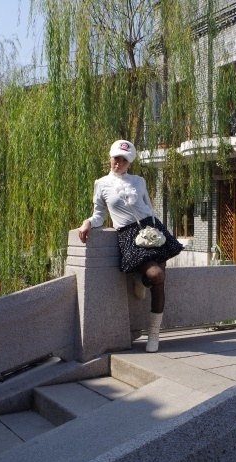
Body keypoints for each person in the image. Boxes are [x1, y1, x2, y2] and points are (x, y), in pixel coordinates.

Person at [77, 140, 184, 352]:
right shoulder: (102, 184)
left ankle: (154, 334)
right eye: (116, 158)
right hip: (128, 234)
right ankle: (142, 279)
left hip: (152, 229)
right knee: (156, 275)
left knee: (160, 282)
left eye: (124, 160)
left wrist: (158, 229)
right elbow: (99, 214)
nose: (119, 163)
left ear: (130, 162)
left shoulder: (138, 181)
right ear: (110, 158)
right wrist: (87, 222)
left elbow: (148, 207)